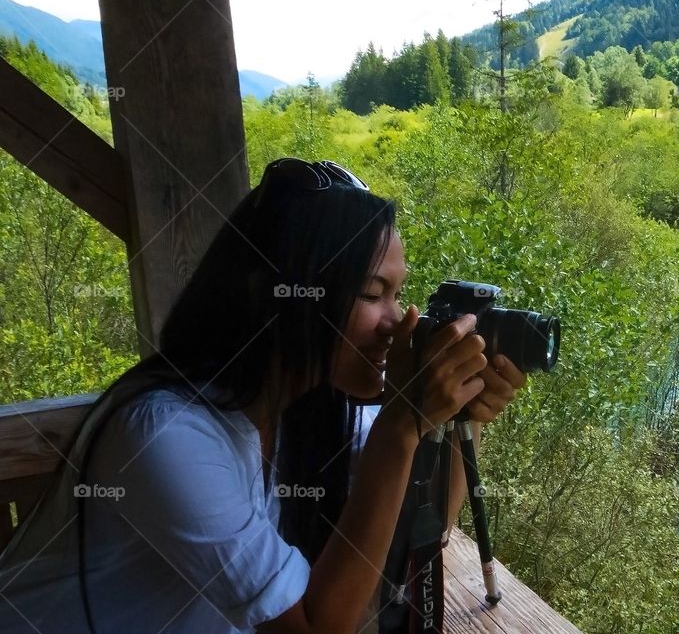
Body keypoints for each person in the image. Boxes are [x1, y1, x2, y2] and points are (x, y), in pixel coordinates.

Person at [0, 158, 527, 634]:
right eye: (371, 294)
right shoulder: (168, 435)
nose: (397, 322)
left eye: (398, 294)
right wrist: (403, 425)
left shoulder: (308, 408)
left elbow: (426, 530)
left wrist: (457, 415)